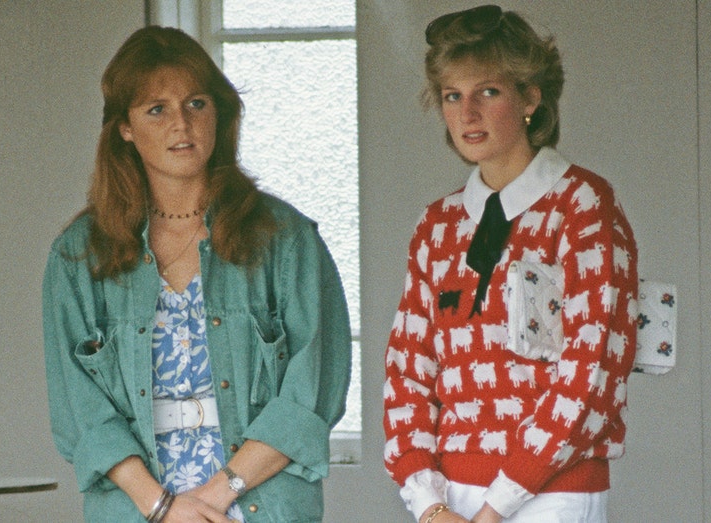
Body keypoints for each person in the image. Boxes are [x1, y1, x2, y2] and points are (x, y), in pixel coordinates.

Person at [42, 26, 351, 522]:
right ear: (124, 126)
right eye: (156, 109)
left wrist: (217, 494)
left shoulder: (286, 239)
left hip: (260, 504)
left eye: (197, 104)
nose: (181, 124)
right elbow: (80, 409)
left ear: (219, 113)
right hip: (136, 509)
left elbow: (313, 390)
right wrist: (162, 507)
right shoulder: (79, 257)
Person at [383, 5, 639, 523]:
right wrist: (429, 506)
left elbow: (590, 375)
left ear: (530, 96)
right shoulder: (438, 224)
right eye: (453, 96)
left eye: (488, 92)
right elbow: (408, 370)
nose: (468, 113)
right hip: (446, 498)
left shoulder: (583, 205)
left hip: (552, 492)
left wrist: (497, 507)